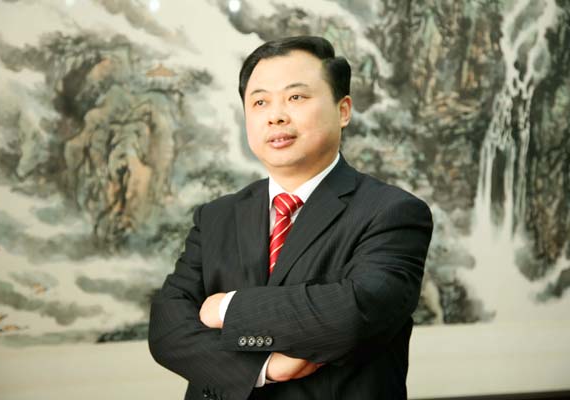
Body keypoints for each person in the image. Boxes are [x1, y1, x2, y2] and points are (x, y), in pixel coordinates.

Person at [148, 35, 433, 400]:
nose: (276, 115)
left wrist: (226, 308)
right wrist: (263, 368)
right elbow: (167, 328)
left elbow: (353, 314)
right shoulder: (216, 216)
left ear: (343, 110)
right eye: (260, 102)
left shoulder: (392, 212)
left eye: (296, 97)